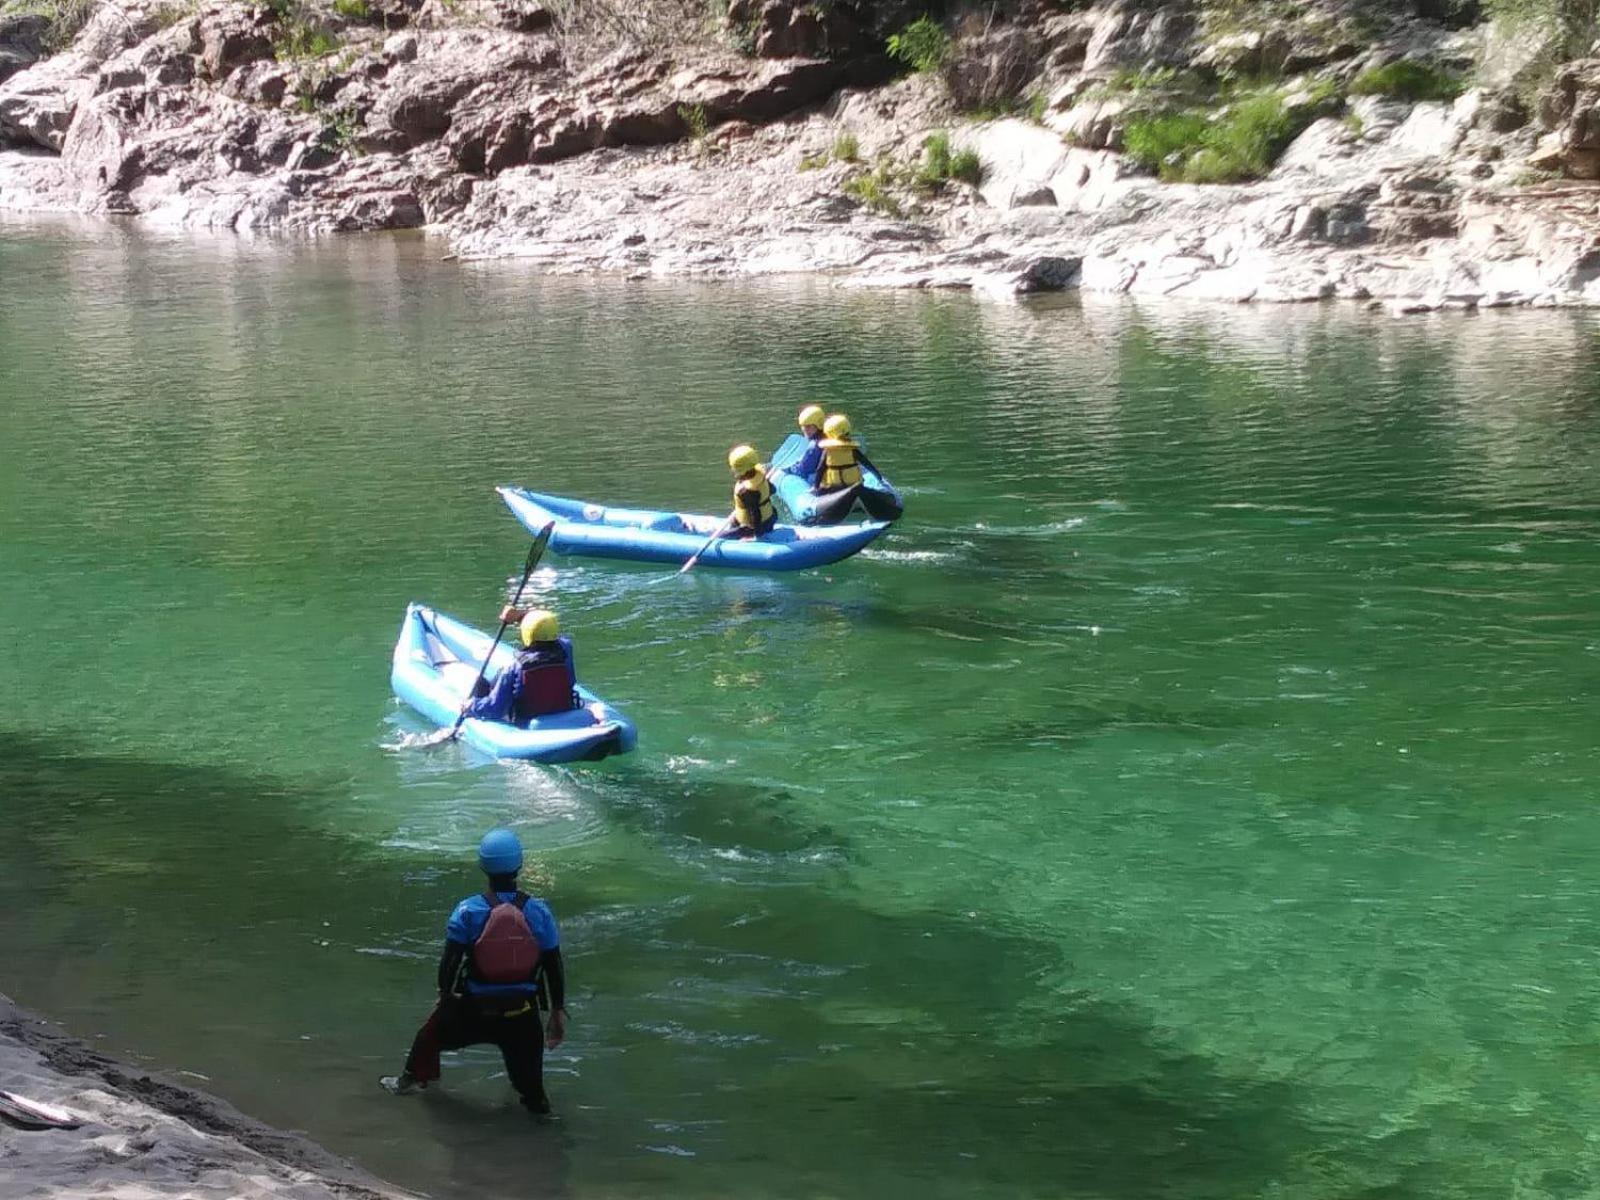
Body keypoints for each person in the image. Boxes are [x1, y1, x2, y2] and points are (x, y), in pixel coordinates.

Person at [381, 829, 568, 1115]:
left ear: (483, 867)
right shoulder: (539, 912)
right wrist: (556, 1009)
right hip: (522, 1015)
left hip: (475, 1011)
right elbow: (553, 964)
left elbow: (450, 964)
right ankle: (542, 1126)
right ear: (519, 866)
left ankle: (404, 1082)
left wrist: (445, 997)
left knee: (427, 1039)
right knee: (534, 1095)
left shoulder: (467, 911)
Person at [460, 608, 578, 726]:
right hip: (563, 711)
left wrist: (471, 705)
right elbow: (546, 626)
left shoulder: (514, 667)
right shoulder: (566, 649)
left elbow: (496, 708)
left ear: (527, 633)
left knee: (480, 683)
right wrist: (520, 615)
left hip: (529, 722)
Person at [726, 443, 776, 537]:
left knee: (727, 535)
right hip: (771, 517)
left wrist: (755, 533)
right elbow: (773, 490)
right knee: (734, 521)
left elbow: (755, 514)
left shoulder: (746, 491)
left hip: (759, 525)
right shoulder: (759, 476)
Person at [815, 413, 864, 494]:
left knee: (822, 489)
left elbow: (820, 469)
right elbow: (867, 464)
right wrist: (878, 477)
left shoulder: (827, 451)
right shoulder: (852, 449)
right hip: (853, 485)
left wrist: (816, 487)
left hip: (834, 489)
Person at [792, 404, 827, 484]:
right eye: (803, 426)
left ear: (819, 425)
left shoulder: (814, 446)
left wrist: (788, 468)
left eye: (808, 427)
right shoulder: (832, 437)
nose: (804, 430)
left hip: (824, 483)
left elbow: (803, 471)